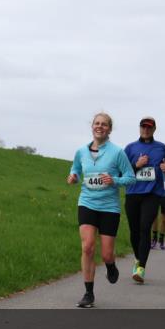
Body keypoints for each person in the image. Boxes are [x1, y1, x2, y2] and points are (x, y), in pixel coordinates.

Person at [67, 112, 136, 307]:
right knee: (87, 247)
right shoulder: (81, 151)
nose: (100, 126)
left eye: (104, 124)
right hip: (87, 202)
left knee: (106, 254)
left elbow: (131, 178)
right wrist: (73, 176)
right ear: (92, 127)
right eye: (97, 123)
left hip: (109, 207)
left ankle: (110, 265)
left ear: (109, 129)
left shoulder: (117, 152)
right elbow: (76, 169)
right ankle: (88, 293)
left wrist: (114, 180)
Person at [123, 117, 165, 283]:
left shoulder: (161, 148)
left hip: (152, 194)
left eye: (149, 127)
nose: (146, 130)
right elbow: (122, 171)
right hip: (133, 193)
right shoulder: (130, 148)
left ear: (154, 129)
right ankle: (138, 257)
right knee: (134, 231)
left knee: (144, 227)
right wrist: (137, 165)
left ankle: (141, 268)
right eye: (143, 127)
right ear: (139, 128)